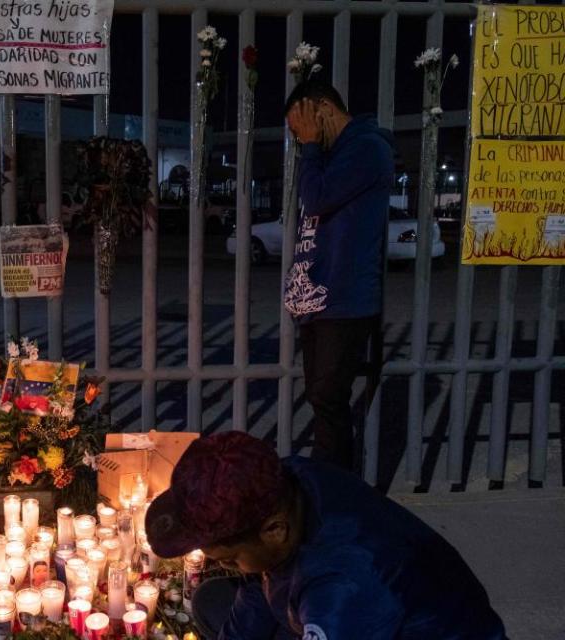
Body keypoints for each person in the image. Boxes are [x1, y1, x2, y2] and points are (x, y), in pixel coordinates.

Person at [145, 432, 507, 640]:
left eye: (228, 558)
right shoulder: (286, 481)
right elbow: (257, 581)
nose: (225, 566)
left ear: (274, 530)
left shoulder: (343, 586)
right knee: (214, 601)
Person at [282, 80, 393, 469]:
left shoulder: (366, 148)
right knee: (321, 397)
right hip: (321, 298)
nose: (302, 139)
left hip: (344, 299)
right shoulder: (338, 154)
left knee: (328, 397)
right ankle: (332, 484)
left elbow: (316, 198)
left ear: (323, 109)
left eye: (303, 127)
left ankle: (335, 489)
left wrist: (311, 148)